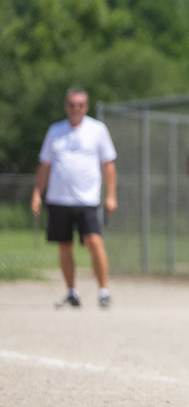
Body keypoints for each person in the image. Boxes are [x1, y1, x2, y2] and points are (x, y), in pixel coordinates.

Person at [30, 87, 118, 309]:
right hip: (59, 198)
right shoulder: (55, 130)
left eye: (80, 105)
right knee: (64, 246)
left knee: (94, 241)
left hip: (87, 199)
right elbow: (45, 165)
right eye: (72, 104)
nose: (75, 109)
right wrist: (37, 193)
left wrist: (111, 196)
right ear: (66, 106)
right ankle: (72, 293)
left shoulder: (97, 130)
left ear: (86, 107)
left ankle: (103, 291)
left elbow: (108, 165)